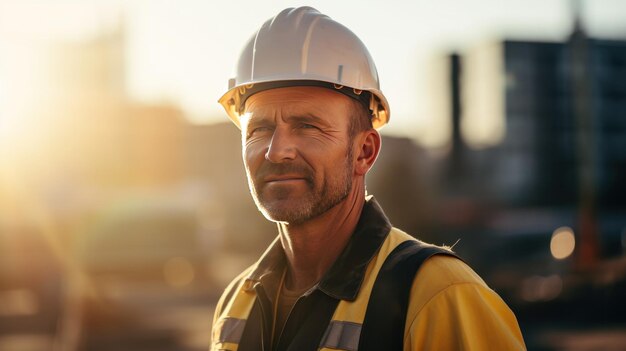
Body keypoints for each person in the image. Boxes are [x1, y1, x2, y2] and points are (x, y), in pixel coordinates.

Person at [211, 6, 525, 351]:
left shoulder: (439, 296)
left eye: (307, 126)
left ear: (364, 152)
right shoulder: (235, 303)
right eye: (260, 129)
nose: (276, 150)